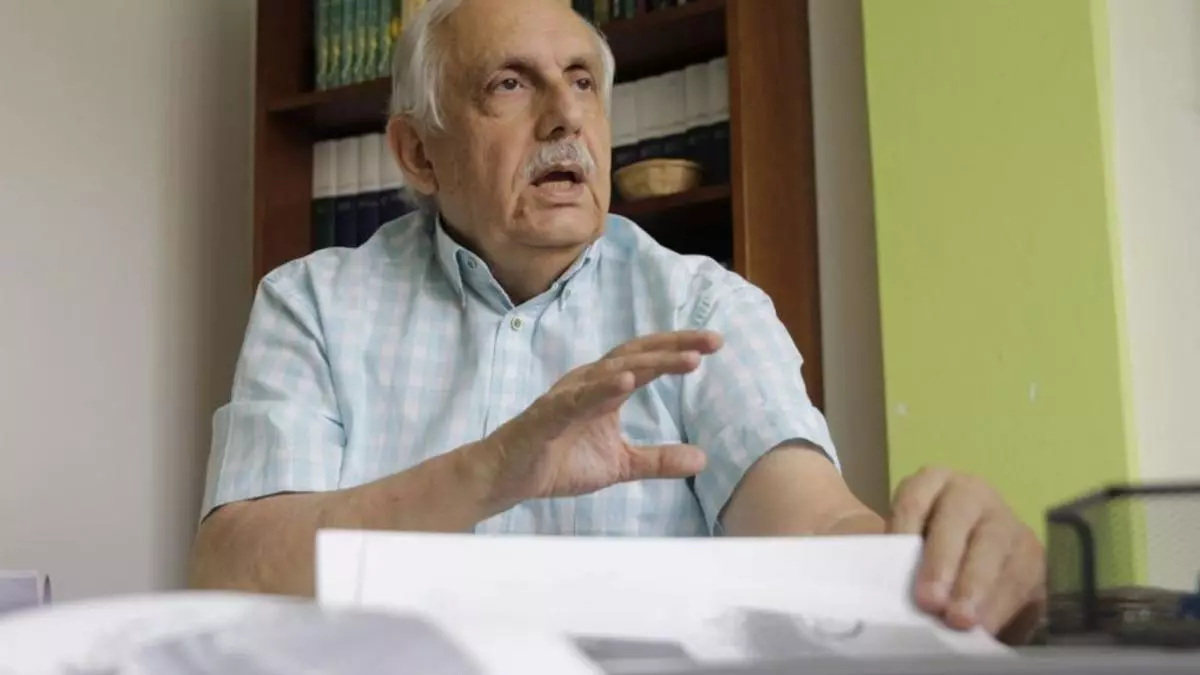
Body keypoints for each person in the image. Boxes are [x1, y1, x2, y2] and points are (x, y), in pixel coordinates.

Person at [188, 0, 1046, 644]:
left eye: (583, 82)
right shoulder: (313, 304)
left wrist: (951, 563)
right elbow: (235, 569)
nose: (565, 117)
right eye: (510, 83)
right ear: (419, 152)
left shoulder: (703, 309)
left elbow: (817, 527)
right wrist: (491, 470)